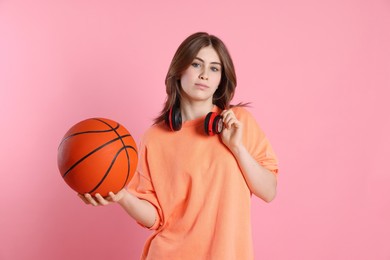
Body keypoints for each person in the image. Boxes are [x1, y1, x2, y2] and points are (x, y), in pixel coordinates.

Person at [80, 32, 279, 260]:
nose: (204, 75)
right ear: (180, 69)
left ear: (220, 80)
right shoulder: (154, 138)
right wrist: (122, 196)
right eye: (196, 64)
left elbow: (268, 191)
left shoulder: (238, 122)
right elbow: (156, 218)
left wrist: (237, 148)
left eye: (214, 68)